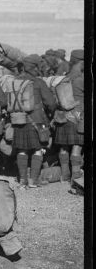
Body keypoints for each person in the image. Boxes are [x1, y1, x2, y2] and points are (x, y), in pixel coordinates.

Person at [12, 55, 57, 188]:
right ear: (35, 67)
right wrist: (50, 114)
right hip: (37, 120)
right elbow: (51, 103)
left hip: (18, 120)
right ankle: (33, 181)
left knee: (22, 150)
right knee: (38, 150)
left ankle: (22, 181)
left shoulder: (15, 81)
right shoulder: (38, 82)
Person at [54, 49, 84, 181]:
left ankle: (64, 175)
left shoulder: (65, 77)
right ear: (81, 62)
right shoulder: (81, 79)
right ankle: (76, 176)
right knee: (76, 147)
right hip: (77, 117)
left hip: (63, 116)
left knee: (64, 147)